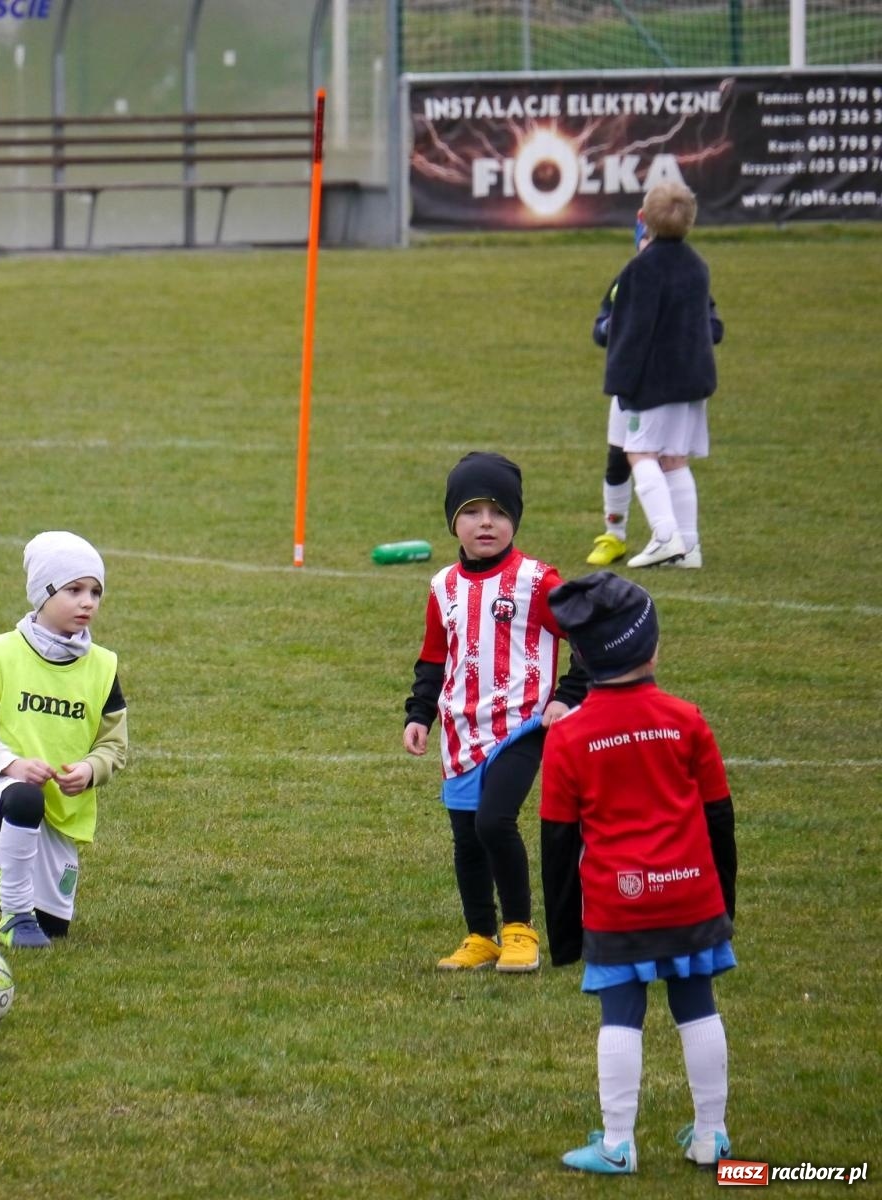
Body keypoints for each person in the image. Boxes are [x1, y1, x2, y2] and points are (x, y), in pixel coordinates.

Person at [540, 572, 737, 1174]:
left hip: (617, 904)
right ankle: (712, 1137)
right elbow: (719, 819)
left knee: (620, 1015)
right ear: (650, 646)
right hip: (692, 900)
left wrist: (565, 935)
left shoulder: (568, 737)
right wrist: (722, 904)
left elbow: (557, 841)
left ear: (583, 657)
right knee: (697, 1007)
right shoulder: (686, 718)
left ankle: (619, 1144)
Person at [402, 452, 586, 973]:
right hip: (461, 730)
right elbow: (435, 655)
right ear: (452, 521)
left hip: (522, 726)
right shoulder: (443, 587)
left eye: (499, 512)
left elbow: (588, 638)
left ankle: (520, 932)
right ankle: (480, 935)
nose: (486, 523)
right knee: (466, 837)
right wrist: (420, 712)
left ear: (515, 520)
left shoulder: (537, 580)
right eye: (473, 511)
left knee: (494, 821)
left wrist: (568, 695)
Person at [0, 531, 128, 950]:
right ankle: (14, 916)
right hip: (1, 789)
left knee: (54, 929)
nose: (88, 601)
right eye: (74, 590)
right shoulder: (2, 653)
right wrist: (11, 766)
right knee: (24, 798)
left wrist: (89, 771)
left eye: (95, 592)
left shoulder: (103, 667)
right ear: (42, 594)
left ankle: (2, 874)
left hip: (62, 808)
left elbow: (114, 746)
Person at [586, 213, 724, 568]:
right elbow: (604, 326)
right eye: (641, 238)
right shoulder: (636, 276)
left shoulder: (667, 273)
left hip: (649, 383)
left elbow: (712, 324)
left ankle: (668, 537)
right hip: (644, 383)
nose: (645, 245)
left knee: (648, 455)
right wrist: (610, 329)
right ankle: (616, 536)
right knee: (621, 458)